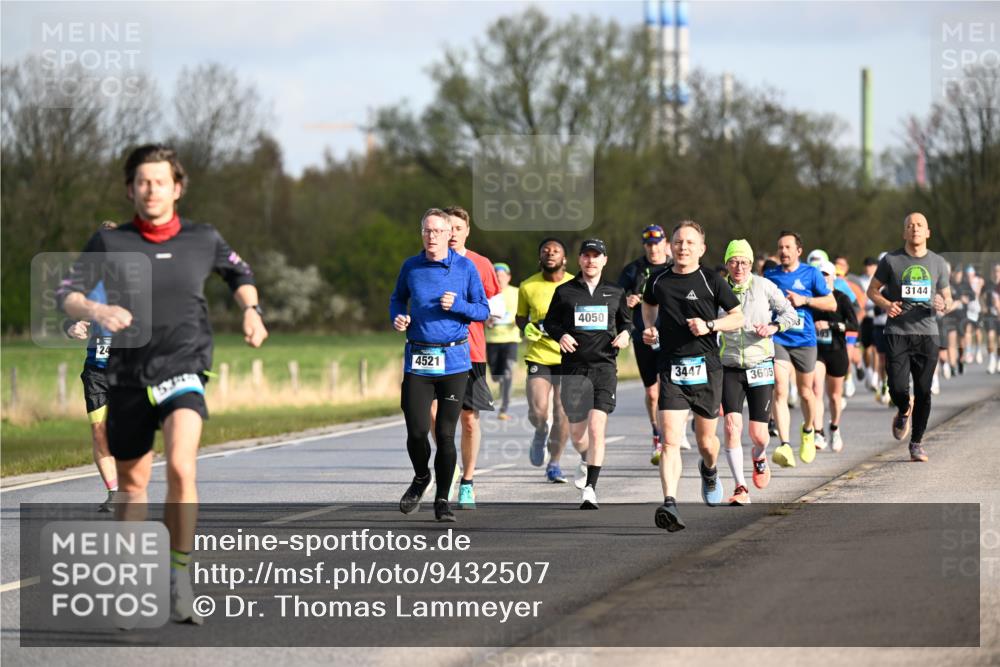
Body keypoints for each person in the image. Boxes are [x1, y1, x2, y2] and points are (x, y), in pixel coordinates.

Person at [58, 144, 267, 624]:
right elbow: (66, 294)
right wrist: (96, 309)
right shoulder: (109, 243)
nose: (151, 190)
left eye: (160, 181)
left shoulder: (203, 237)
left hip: (183, 366)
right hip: (126, 376)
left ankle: (179, 576)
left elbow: (239, 271)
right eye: (142, 182)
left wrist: (250, 310)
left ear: (177, 188)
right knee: (133, 487)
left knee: (179, 465)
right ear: (131, 189)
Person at [641, 221, 744, 531]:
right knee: (670, 441)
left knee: (706, 442)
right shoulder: (658, 280)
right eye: (678, 242)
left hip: (706, 369)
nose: (682, 247)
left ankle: (710, 470)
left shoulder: (712, 281)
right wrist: (650, 328)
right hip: (671, 367)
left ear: (701, 248)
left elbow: (737, 317)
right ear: (671, 246)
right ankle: (670, 502)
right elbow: (648, 304)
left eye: (689, 242)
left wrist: (710, 326)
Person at [390, 208, 489, 521]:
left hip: (454, 361)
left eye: (438, 231)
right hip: (418, 360)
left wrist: (457, 305)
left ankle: (443, 501)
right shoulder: (411, 267)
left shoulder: (466, 268)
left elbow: (482, 310)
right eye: (427, 231)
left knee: (445, 434)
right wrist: (398, 316)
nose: (432, 237)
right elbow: (396, 299)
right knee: (417, 432)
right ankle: (422, 477)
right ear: (422, 234)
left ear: (450, 235)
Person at [544, 239, 632, 509]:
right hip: (574, 370)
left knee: (597, 428)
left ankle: (591, 489)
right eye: (587, 256)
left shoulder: (615, 292)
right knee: (578, 434)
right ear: (580, 260)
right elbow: (551, 322)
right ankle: (585, 459)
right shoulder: (564, 292)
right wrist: (561, 335)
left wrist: (626, 335)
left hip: (604, 367)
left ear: (605, 260)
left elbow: (627, 322)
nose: (591, 261)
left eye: (597, 256)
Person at [429, 205, 502, 511]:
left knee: (469, 420)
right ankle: (449, 459)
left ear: (466, 231)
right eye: (450, 229)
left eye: (459, 228)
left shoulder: (481, 264)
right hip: (434, 351)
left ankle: (468, 482)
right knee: (431, 413)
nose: (454, 234)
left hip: (470, 351)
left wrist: (470, 309)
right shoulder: (429, 262)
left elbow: (496, 310)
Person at [866, 213, 951, 463]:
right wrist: (886, 304)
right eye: (910, 226)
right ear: (904, 233)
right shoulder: (890, 260)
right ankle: (904, 409)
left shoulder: (937, 263)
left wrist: (942, 303)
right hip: (897, 334)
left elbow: (949, 299)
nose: (915, 229)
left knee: (924, 390)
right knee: (897, 388)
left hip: (927, 334)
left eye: (920, 225)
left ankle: (916, 443)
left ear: (928, 232)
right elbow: (872, 290)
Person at [718, 239, 798, 505]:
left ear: (751, 264)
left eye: (744, 262)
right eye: (733, 261)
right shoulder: (718, 289)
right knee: (731, 427)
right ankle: (741, 487)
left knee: (758, 435)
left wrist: (774, 327)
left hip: (760, 364)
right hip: (729, 365)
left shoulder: (764, 286)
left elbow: (790, 314)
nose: (738, 267)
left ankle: (760, 456)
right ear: (727, 264)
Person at [764, 232, 836, 468]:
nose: (783, 251)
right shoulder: (770, 275)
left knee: (806, 393)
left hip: (804, 340)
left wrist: (805, 301)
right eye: (780, 247)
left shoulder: (811, 274)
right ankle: (784, 444)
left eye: (788, 247)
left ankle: (808, 430)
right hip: (779, 338)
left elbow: (831, 303)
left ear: (798, 251)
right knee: (780, 389)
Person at [63, 222, 121, 512]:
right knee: (99, 432)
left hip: (129, 370)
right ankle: (115, 493)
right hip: (96, 368)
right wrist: (71, 327)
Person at [616, 224, 682, 467]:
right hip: (643, 336)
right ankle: (657, 434)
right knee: (652, 392)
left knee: (674, 386)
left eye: (657, 243)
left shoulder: (673, 266)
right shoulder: (633, 270)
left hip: (672, 336)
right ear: (644, 246)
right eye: (648, 244)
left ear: (665, 243)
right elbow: (613, 298)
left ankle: (674, 430)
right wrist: (627, 300)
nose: (653, 248)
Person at [516, 239, 576, 484]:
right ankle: (540, 431)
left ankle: (554, 464)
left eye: (556, 251)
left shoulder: (576, 284)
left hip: (568, 355)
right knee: (538, 411)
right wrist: (527, 327)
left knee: (563, 413)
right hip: (539, 355)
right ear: (539, 258)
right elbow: (520, 318)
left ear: (564, 258)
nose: (550, 254)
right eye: (545, 251)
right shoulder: (528, 286)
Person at [811, 260, 859, 453]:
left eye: (825, 274)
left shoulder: (842, 298)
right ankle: (818, 431)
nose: (822, 278)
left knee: (834, 397)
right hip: (817, 352)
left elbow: (854, 325)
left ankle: (834, 428)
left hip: (837, 352)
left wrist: (831, 326)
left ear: (833, 277)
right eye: (819, 274)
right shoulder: (812, 299)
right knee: (816, 390)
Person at [485, 262, 521, 419]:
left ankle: (504, 407)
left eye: (502, 276)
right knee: (495, 375)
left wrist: (519, 321)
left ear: (509, 277)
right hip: (492, 339)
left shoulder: (517, 292)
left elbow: (525, 312)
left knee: (507, 371)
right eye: (496, 276)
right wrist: (486, 320)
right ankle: (500, 383)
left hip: (511, 338)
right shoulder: (487, 293)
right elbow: (480, 313)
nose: (499, 279)